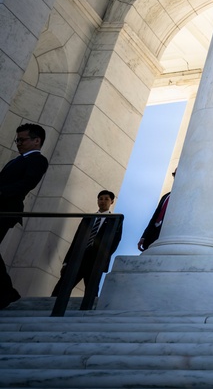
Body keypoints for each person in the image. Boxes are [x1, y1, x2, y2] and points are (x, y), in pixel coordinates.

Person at [0, 123, 49, 309]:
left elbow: (27, 183)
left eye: (23, 139)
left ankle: (7, 292)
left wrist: (1, 192)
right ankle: (7, 291)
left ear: (37, 141)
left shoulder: (38, 160)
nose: (18, 143)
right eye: (17, 140)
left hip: (7, 209)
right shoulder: (16, 160)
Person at [51, 190, 123, 301]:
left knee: (91, 292)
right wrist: (66, 262)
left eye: (106, 199)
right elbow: (76, 240)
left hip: (96, 261)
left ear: (112, 201)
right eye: (100, 199)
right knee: (60, 288)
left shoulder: (115, 220)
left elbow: (115, 242)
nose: (103, 201)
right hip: (78, 258)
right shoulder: (88, 218)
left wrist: (103, 258)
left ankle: (88, 314)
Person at [138, 171, 173, 252]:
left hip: (167, 235)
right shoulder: (166, 196)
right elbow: (154, 217)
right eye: (174, 174)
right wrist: (144, 236)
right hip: (152, 234)